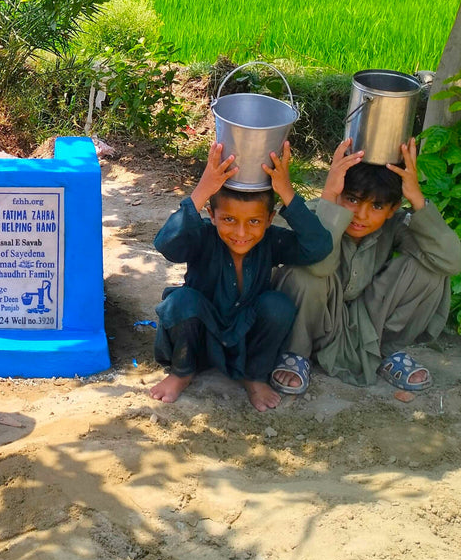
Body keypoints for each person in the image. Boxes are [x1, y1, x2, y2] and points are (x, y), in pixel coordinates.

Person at [150, 140, 333, 411]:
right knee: (181, 301)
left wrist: (286, 192)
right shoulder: (201, 235)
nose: (241, 233)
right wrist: (202, 190)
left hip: (245, 337)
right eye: (229, 220)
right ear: (212, 215)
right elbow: (166, 244)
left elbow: (318, 246)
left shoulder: (272, 241)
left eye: (254, 221)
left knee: (278, 306)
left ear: (270, 219)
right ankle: (182, 371)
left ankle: (254, 377)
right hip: (200, 334)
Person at [271, 138, 461, 394]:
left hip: (367, 322)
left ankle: (387, 351)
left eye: (377, 206)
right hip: (320, 320)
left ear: (393, 208)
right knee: (304, 274)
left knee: (431, 269)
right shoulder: (317, 213)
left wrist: (416, 197)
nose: (361, 214)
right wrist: (329, 196)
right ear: (339, 194)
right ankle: (296, 353)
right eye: (352, 199)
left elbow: (451, 260)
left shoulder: (393, 225)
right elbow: (318, 267)